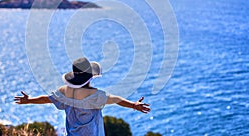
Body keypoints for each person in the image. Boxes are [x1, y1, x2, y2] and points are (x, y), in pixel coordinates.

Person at [14, 57, 151, 136]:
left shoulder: (64, 92)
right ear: (90, 78)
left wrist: (28, 100)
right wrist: (134, 105)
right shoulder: (94, 95)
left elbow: (46, 99)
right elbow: (116, 99)